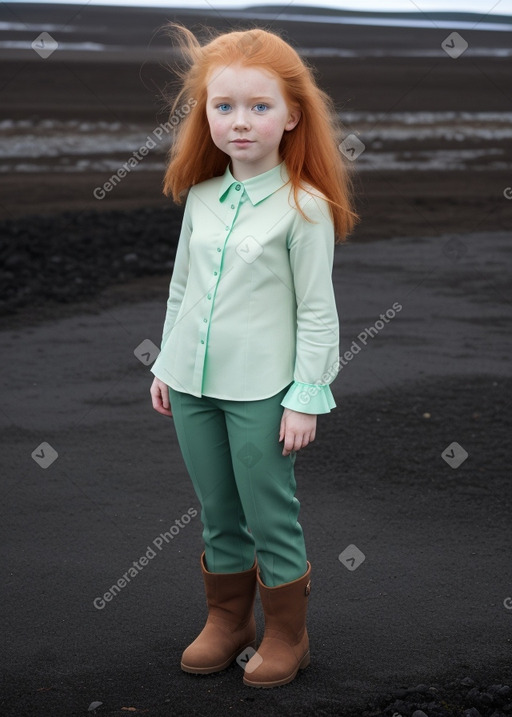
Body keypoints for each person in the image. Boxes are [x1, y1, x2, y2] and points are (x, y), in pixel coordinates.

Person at [149, 22, 359, 688]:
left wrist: (306, 394)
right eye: (225, 106)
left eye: (260, 107)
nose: (241, 123)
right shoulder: (203, 198)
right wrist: (165, 364)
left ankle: (287, 636)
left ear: (292, 114)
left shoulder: (304, 207)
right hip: (191, 384)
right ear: (205, 113)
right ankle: (228, 620)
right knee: (216, 509)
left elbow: (316, 311)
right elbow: (184, 286)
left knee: (269, 511)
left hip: (263, 392)